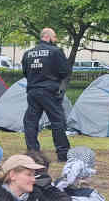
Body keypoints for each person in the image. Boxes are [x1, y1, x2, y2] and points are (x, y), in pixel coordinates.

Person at [22, 28, 72, 162]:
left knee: (30, 123)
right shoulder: (56, 52)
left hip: (33, 91)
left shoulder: (28, 53)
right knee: (57, 122)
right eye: (54, 37)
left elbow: (25, 73)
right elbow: (65, 72)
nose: (55, 40)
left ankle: (33, 153)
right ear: (48, 37)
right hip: (50, 92)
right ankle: (63, 154)